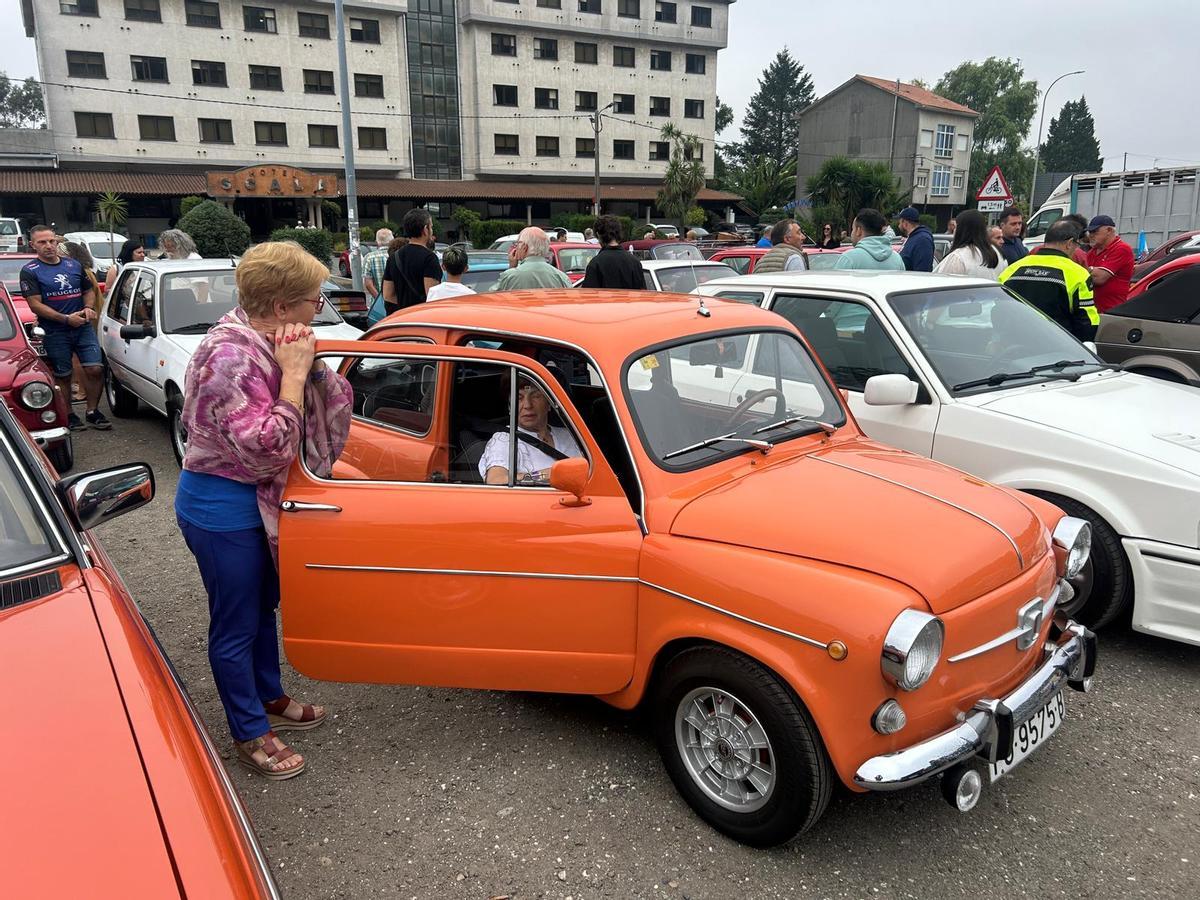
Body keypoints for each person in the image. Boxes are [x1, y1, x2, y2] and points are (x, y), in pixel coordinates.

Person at [176, 240, 352, 781]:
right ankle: (248, 730)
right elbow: (265, 450)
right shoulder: (230, 357)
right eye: (314, 301)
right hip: (222, 507)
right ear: (280, 307)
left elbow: (335, 397)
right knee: (235, 622)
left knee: (262, 608)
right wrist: (295, 376)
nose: (318, 310)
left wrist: (306, 366)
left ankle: (269, 696)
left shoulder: (264, 337)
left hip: (261, 502)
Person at [20, 225, 110, 431]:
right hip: (55, 330)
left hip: (82, 327)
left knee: (95, 368)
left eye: (52, 241)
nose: (49, 246)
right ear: (33, 245)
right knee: (63, 374)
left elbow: (88, 291)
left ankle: (93, 411)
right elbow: (35, 304)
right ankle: (69, 414)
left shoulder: (73, 265)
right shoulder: (30, 271)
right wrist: (66, 319)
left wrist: (88, 308)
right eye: (42, 242)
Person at [998, 220, 1098, 340]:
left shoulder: (1012, 269)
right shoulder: (1078, 274)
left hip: (1013, 341)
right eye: (1077, 244)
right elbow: (1087, 320)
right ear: (1069, 243)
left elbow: (998, 309)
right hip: (1055, 344)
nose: (1077, 248)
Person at [479, 375, 584, 484]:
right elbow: (496, 480)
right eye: (519, 398)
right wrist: (545, 475)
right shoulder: (505, 439)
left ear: (549, 404)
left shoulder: (569, 435)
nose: (528, 405)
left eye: (536, 396)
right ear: (510, 407)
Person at [63, 240, 104, 402]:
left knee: (79, 360)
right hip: (89, 316)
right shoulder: (86, 270)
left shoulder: (81, 272)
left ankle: (82, 391)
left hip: (84, 318)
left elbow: (88, 295)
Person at [382, 209, 441, 313]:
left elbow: (387, 295)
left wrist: (405, 306)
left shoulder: (394, 257)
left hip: (402, 316)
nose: (432, 230)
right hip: (422, 316)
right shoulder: (429, 258)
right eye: (431, 227)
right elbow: (432, 297)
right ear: (425, 229)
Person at [1084, 214, 1135, 313]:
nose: (1090, 235)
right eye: (1090, 232)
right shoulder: (1092, 252)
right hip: (1093, 311)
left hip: (1111, 311)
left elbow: (1099, 278)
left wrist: (1084, 269)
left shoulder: (1122, 249)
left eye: (1094, 231)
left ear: (1109, 230)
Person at [580, 214, 647, 289]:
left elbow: (588, 293)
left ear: (598, 235)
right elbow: (642, 292)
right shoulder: (635, 262)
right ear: (618, 233)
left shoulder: (595, 264)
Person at [495, 227, 573, 290]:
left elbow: (493, 297)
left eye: (517, 244)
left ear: (524, 247)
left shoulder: (510, 276)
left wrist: (511, 267)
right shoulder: (561, 277)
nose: (516, 248)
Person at [934, 210, 1002, 280]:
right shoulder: (997, 254)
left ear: (962, 230)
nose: (954, 231)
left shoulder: (958, 257)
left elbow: (942, 282)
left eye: (956, 227)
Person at [835, 209, 905, 271]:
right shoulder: (897, 259)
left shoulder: (849, 259)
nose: (852, 233)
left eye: (853, 229)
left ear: (859, 230)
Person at [361, 227, 394, 300]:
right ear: (392, 240)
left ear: (377, 242)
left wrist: (380, 300)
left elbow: (368, 284)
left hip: (378, 301)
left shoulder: (369, 257)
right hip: (397, 301)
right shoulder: (397, 255)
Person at [898, 207, 935, 272]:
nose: (899, 226)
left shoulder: (923, 240)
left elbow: (923, 271)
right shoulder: (914, 238)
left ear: (905, 223)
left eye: (900, 223)